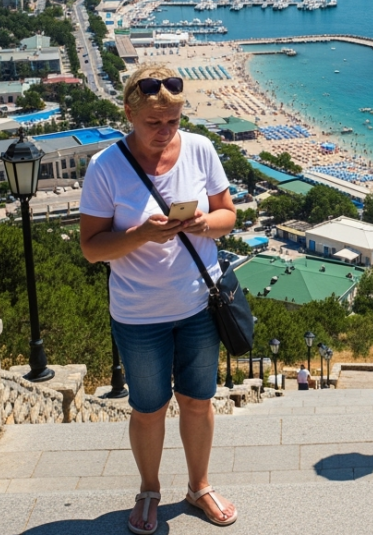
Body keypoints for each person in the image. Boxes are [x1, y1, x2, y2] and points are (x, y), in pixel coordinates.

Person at [79, 66, 239, 534]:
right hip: (138, 314)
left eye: (172, 121)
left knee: (198, 401)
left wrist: (203, 225)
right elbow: (91, 248)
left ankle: (199, 486)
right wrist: (141, 234)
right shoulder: (105, 167)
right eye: (154, 123)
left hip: (198, 306)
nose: (165, 132)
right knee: (148, 408)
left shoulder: (200, 149)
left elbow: (228, 212)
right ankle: (149, 489)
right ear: (129, 113)